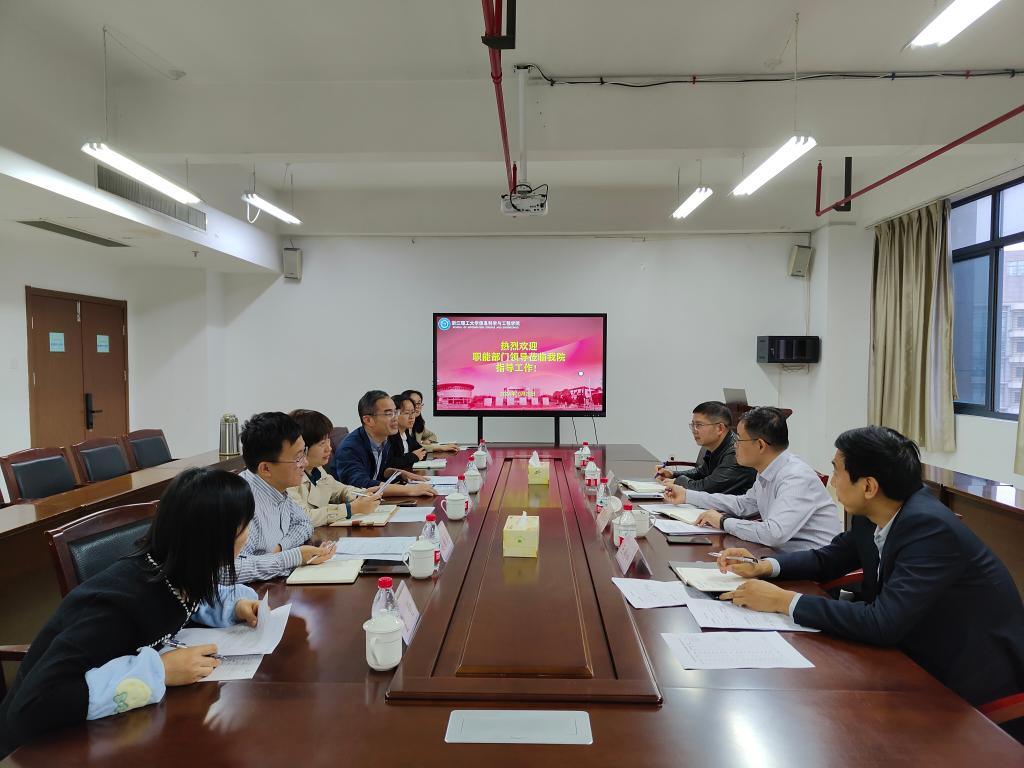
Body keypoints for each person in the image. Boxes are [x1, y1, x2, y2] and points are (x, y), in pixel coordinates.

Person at [715, 426, 1024, 741]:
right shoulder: (875, 513)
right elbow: (829, 559)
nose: (832, 482)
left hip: (970, 682)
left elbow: (882, 622)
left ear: (868, 486)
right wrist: (766, 566)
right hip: (913, 653)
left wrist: (784, 601)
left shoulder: (928, 527)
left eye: (837, 471)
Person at [0, 468, 262, 757]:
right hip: (39, 748)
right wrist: (160, 671)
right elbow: (34, 706)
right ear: (212, 537)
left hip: (113, 731)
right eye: (244, 525)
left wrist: (232, 606)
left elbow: (180, 602)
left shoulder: (175, 571)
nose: (248, 534)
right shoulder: (116, 607)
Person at [663, 406, 839, 550]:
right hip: (781, 556)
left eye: (739, 439)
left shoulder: (795, 477)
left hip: (812, 568)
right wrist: (687, 495)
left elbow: (774, 534)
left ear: (760, 445)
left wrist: (723, 522)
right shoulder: (768, 469)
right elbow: (744, 504)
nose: (735, 445)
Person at [235, 412, 335, 582]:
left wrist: (280, 548)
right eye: (297, 458)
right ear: (266, 468)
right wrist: (293, 557)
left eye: (304, 453)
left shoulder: (276, 488)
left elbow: (304, 523)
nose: (305, 463)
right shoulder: (242, 502)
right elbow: (231, 570)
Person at [331, 390, 437, 499]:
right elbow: (360, 485)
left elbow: (379, 472)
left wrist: (400, 473)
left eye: (396, 412)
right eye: (389, 414)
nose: (395, 418)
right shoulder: (350, 448)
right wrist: (411, 490)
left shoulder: (383, 440)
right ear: (368, 420)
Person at [287, 409, 384, 526]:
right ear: (302, 447)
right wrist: (350, 509)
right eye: (322, 444)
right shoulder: (288, 477)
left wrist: (362, 494)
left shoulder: (317, 469)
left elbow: (340, 490)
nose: (329, 448)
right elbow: (304, 517)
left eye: (328, 440)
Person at [654, 401, 756, 494]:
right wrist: (673, 474)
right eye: (693, 425)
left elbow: (707, 488)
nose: (694, 430)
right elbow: (702, 472)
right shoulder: (716, 446)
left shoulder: (735, 452)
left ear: (720, 428)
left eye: (699, 425)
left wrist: (677, 481)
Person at [386, 393, 427, 471]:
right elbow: (390, 463)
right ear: (394, 414)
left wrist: (410, 457)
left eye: (413, 412)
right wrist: (413, 456)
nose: (412, 417)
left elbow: (422, 451)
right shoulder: (389, 435)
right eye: (407, 413)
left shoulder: (405, 432)